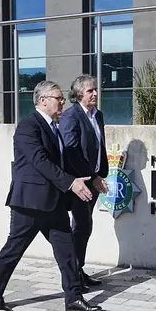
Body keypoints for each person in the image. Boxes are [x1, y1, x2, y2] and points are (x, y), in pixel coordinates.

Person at [0, 80, 104, 311]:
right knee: (14, 250)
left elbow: (63, 160)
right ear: (42, 100)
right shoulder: (29, 126)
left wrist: (93, 177)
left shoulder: (54, 126)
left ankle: (73, 299)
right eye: (58, 98)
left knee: (67, 251)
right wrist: (71, 183)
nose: (62, 102)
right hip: (30, 204)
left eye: (61, 98)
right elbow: (40, 162)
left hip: (54, 203)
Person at [59, 74, 109, 291]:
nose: (95, 94)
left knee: (84, 226)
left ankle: (78, 270)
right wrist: (93, 176)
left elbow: (99, 146)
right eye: (90, 91)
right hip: (79, 181)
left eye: (95, 90)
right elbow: (72, 153)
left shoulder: (97, 115)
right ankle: (74, 275)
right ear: (79, 94)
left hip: (94, 177)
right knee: (81, 226)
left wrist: (101, 172)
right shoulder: (71, 116)